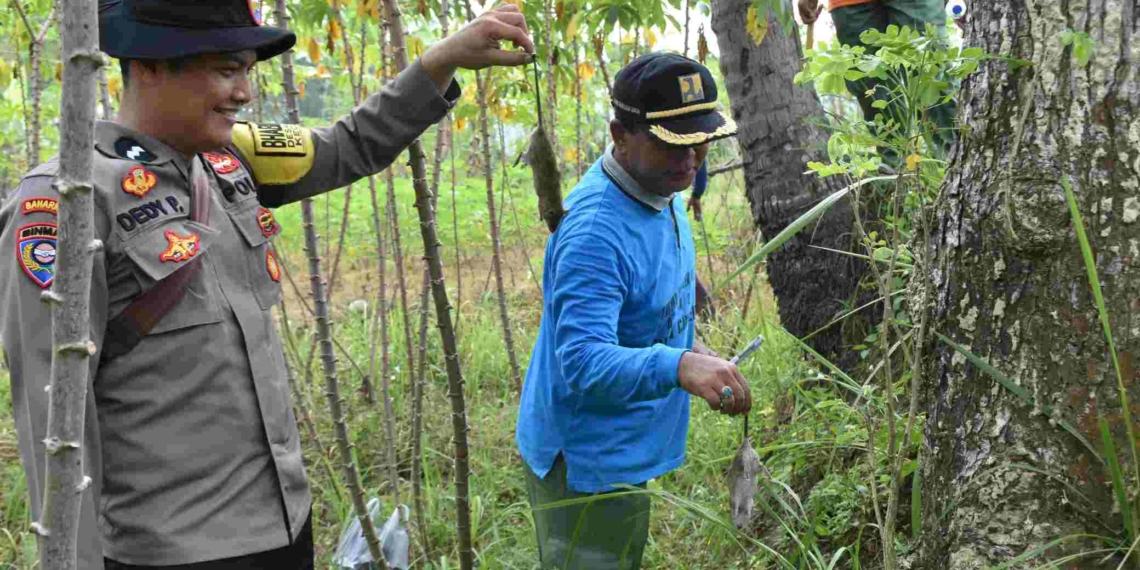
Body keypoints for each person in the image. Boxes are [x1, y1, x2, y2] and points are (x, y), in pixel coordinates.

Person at [0, 1, 534, 568]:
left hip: (283, 528)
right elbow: (51, 414)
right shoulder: (67, 202)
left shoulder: (232, 161)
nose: (243, 92)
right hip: (173, 550)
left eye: (247, 71)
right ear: (151, 65)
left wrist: (441, 61)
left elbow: (349, 144)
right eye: (226, 70)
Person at [515, 52, 752, 569]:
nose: (690, 159)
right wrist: (680, 366)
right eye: (670, 142)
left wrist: (693, 349)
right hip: (586, 463)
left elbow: (645, 310)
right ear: (619, 135)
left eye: (699, 141)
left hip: (624, 446)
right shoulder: (596, 233)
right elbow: (581, 361)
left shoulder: (661, 189)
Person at [798, 0, 957, 157]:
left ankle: (955, 160)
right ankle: (898, 169)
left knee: (931, 72)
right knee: (870, 87)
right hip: (851, 4)